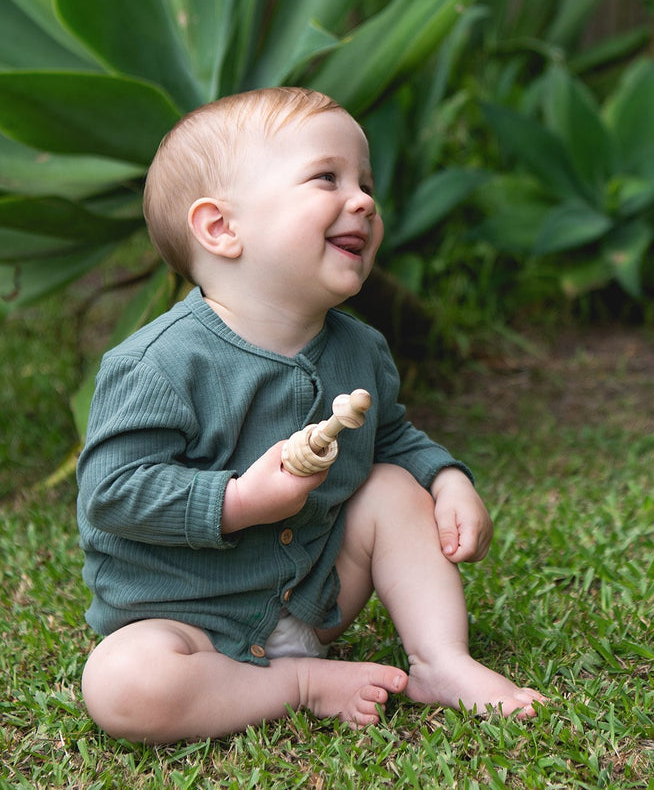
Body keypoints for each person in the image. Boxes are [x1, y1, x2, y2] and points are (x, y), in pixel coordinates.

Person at [76, 87, 543, 743]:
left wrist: (445, 480)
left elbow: (392, 439)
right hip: (185, 621)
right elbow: (111, 493)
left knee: (388, 484)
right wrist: (237, 500)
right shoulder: (158, 363)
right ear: (220, 228)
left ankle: (442, 662)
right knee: (121, 685)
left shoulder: (360, 348)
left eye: (365, 182)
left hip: (316, 596)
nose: (363, 200)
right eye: (327, 177)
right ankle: (296, 684)